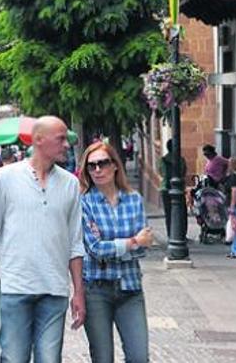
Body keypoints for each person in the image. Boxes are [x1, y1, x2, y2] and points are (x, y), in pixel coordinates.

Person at [0, 116, 85, 363]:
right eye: (61, 139)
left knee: (50, 359)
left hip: (54, 289)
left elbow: (75, 243)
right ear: (39, 140)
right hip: (16, 286)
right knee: (13, 358)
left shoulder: (71, 184)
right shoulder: (5, 178)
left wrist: (78, 292)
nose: (67, 144)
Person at [79, 141, 151, 363]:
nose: (98, 170)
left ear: (115, 165)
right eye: (92, 166)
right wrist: (132, 242)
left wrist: (116, 246)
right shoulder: (84, 203)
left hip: (130, 287)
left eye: (103, 163)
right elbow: (95, 249)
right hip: (96, 290)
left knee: (139, 357)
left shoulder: (134, 200)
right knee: (102, 358)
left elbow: (144, 247)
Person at [160, 139, 188, 238]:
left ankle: (171, 234)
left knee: (169, 214)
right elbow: (184, 172)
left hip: (166, 188)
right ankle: (182, 234)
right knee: (182, 213)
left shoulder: (163, 160)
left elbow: (162, 173)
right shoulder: (181, 159)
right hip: (179, 188)